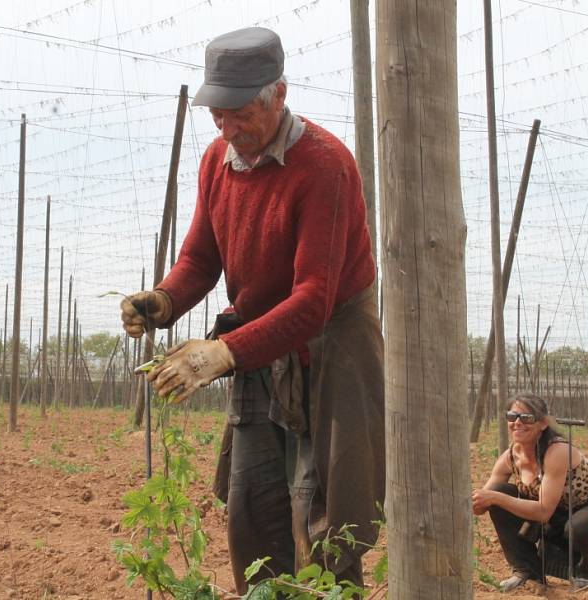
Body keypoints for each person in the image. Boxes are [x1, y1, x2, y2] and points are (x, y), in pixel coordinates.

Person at [119, 27, 384, 594]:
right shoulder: (218, 160)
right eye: (218, 114)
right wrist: (162, 301)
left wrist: (223, 352)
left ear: (279, 96)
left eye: (240, 114)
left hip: (331, 343)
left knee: (325, 515)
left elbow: (313, 299)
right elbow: (200, 257)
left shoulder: (325, 166)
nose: (228, 129)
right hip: (259, 343)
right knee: (253, 506)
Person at [472, 392, 588, 592]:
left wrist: (494, 497)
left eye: (526, 418)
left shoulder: (557, 451)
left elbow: (543, 511)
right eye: (512, 417)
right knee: (499, 492)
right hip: (559, 515)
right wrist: (480, 500)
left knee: (579, 523)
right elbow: (481, 506)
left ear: (543, 423)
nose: (517, 423)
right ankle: (527, 571)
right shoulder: (509, 457)